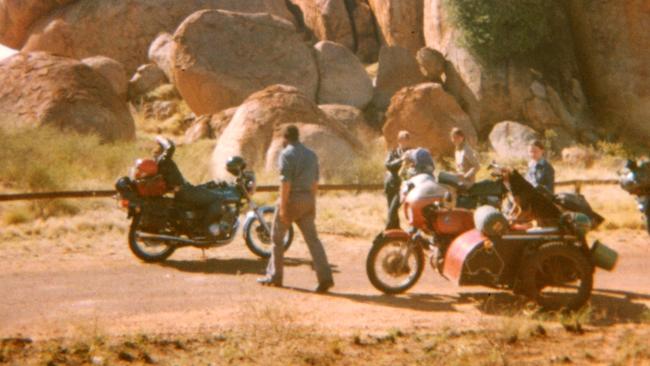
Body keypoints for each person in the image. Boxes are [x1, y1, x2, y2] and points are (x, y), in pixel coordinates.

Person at [258, 125, 334, 293]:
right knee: (313, 240)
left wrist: (283, 207)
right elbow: (315, 182)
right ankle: (325, 277)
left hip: (292, 199)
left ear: (285, 139)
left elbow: (286, 183)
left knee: (277, 239)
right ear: (298, 137)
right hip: (307, 199)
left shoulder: (286, 154)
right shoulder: (311, 155)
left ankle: (275, 276)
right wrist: (312, 203)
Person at [153, 136, 223, 236]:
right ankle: (206, 229)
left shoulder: (159, 162)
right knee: (217, 198)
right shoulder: (164, 160)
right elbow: (171, 147)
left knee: (205, 189)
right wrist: (159, 138)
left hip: (184, 190)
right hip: (185, 191)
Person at [384, 130, 413, 229]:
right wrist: (401, 160)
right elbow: (388, 165)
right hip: (390, 183)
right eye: (402, 140)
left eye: (406, 140)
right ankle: (396, 231)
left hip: (402, 185)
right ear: (399, 141)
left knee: (393, 209)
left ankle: (387, 231)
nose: (404, 142)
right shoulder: (393, 152)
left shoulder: (412, 153)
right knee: (391, 209)